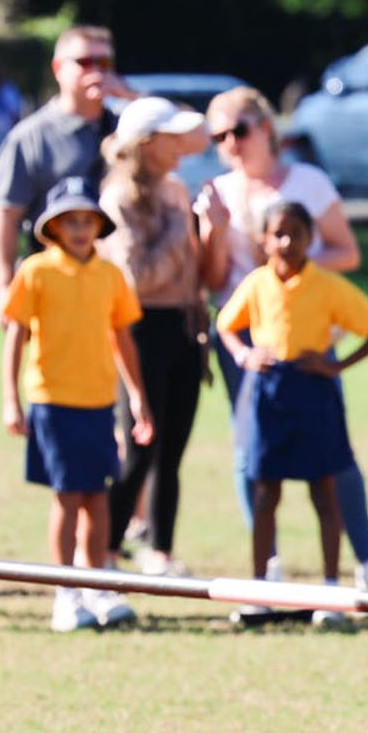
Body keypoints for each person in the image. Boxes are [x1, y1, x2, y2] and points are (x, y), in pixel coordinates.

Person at [196, 84, 368, 575]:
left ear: (266, 128)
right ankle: (267, 562)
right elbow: (213, 280)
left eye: (239, 130)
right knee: (250, 451)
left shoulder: (307, 182)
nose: (230, 143)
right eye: (218, 136)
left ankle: (366, 559)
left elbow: (348, 253)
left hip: (307, 332)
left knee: (332, 454)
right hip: (248, 338)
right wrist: (214, 232)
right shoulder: (218, 193)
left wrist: (293, 266)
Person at [214, 200, 368, 624]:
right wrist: (244, 354)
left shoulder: (327, 285)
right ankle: (260, 589)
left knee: (324, 492)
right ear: (263, 240)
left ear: (311, 239)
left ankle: (330, 591)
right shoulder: (256, 284)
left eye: (297, 233)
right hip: (269, 392)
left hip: (313, 391)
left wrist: (335, 365)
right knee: (264, 494)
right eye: (278, 233)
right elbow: (225, 324)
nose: (287, 242)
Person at [2, 178, 155, 634]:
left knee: (98, 497)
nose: (81, 229)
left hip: (99, 402)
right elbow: (16, 333)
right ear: (52, 228)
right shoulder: (36, 271)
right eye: (70, 221)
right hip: (53, 401)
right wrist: (11, 399)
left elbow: (122, 337)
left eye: (88, 221)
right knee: (68, 497)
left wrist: (138, 397)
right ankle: (65, 593)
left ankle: (97, 585)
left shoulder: (110, 276)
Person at [100, 97, 223, 577]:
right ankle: (106, 552)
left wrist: (210, 229)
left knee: (172, 452)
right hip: (140, 330)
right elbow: (137, 279)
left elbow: (197, 273)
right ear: (147, 144)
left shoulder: (175, 190)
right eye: (171, 137)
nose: (181, 146)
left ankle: (160, 551)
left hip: (184, 327)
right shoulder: (119, 199)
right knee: (139, 449)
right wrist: (179, 224)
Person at [0, 23, 146, 321]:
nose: (95, 71)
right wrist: (4, 284)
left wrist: (133, 97)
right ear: (58, 68)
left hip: (121, 283)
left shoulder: (129, 129)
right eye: (84, 62)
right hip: (56, 285)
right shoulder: (31, 136)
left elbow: (192, 136)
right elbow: (4, 215)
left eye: (104, 63)